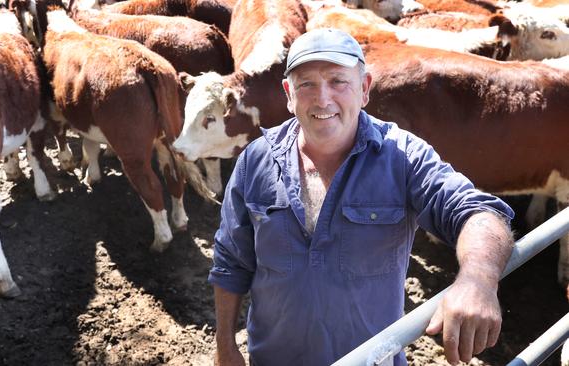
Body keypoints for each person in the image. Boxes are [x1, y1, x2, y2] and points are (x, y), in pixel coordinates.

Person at [208, 28, 515, 366]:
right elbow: (231, 260)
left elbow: (477, 212)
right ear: (288, 94)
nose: (323, 99)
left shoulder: (402, 157)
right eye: (306, 84)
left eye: (338, 81)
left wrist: (478, 279)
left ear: (365, 88)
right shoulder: (256, 160)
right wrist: (225, 345)